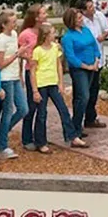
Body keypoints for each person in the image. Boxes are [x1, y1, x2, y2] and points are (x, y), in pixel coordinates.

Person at [29, 22, 78, 153]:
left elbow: (59, 66)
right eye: (52, 33)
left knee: (63, 110)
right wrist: (35, 90)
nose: (54, 35)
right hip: (41, 84)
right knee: (42, 114)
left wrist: (61, 83)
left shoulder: (55, 48)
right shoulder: (37, 51)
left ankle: (72, 136)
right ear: (45, 36)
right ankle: (41, 142)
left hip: (53, 83)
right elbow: (32, 71)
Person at [0, 9, 31, 160]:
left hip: (15, 77)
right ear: (4, 25)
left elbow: (16, 56)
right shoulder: (1, 40)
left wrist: (23, 56)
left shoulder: (14, 35)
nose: (16, 24)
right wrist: (17, 54)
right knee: (7, 111)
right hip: (6, 78)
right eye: (13, 22)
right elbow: (1, 64)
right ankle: (2, 145)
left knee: (23, 109)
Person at [60, 8, 99, 148]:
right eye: (78, 18)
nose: (81, 19)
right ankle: (74, 129)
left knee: (81, 98)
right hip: (79, 70)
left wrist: (96, 61)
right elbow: (71, 57)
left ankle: (77, 127)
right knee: (83, 97)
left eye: (81, 17)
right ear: (71, 21)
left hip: (92, 67)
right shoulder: (68, 37)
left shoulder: (86, 31)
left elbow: (95, 46)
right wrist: (86, 67)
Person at [18, 3, 48, 151]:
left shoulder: (44, 30)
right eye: (43, 13)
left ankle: (40, 136)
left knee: (42, 106)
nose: (46, 15)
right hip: (33, 72)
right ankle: (26, 137)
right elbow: (18, 52)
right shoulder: (26, 34)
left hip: (46, 73)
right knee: (31, 105)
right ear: (36, 17)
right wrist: (27, 59)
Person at [77, 0, 108, 130]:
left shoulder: (99, 16)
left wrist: (104, 36)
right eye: (89, 7)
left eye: (92, 6)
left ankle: (90, 117)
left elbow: (107, 29)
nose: (93, 8)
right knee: (84, 92)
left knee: (94, 89)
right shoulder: (81, 22)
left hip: (98, 58)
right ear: (83, 11)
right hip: (85, 61)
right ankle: (79, 120)